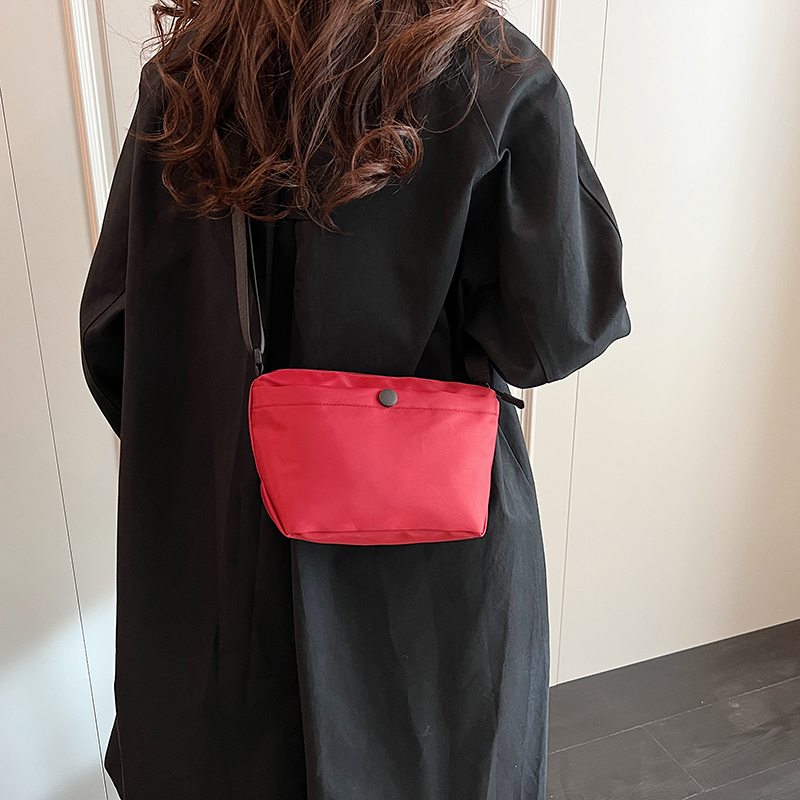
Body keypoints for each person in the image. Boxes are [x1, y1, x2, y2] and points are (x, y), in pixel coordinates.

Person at [79, 1, 630, 797]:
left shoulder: (191, 73)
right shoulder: (488, 68)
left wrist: (226, 436)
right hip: (428, 582)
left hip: (225, 562)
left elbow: (114, 336)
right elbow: (559, 329)